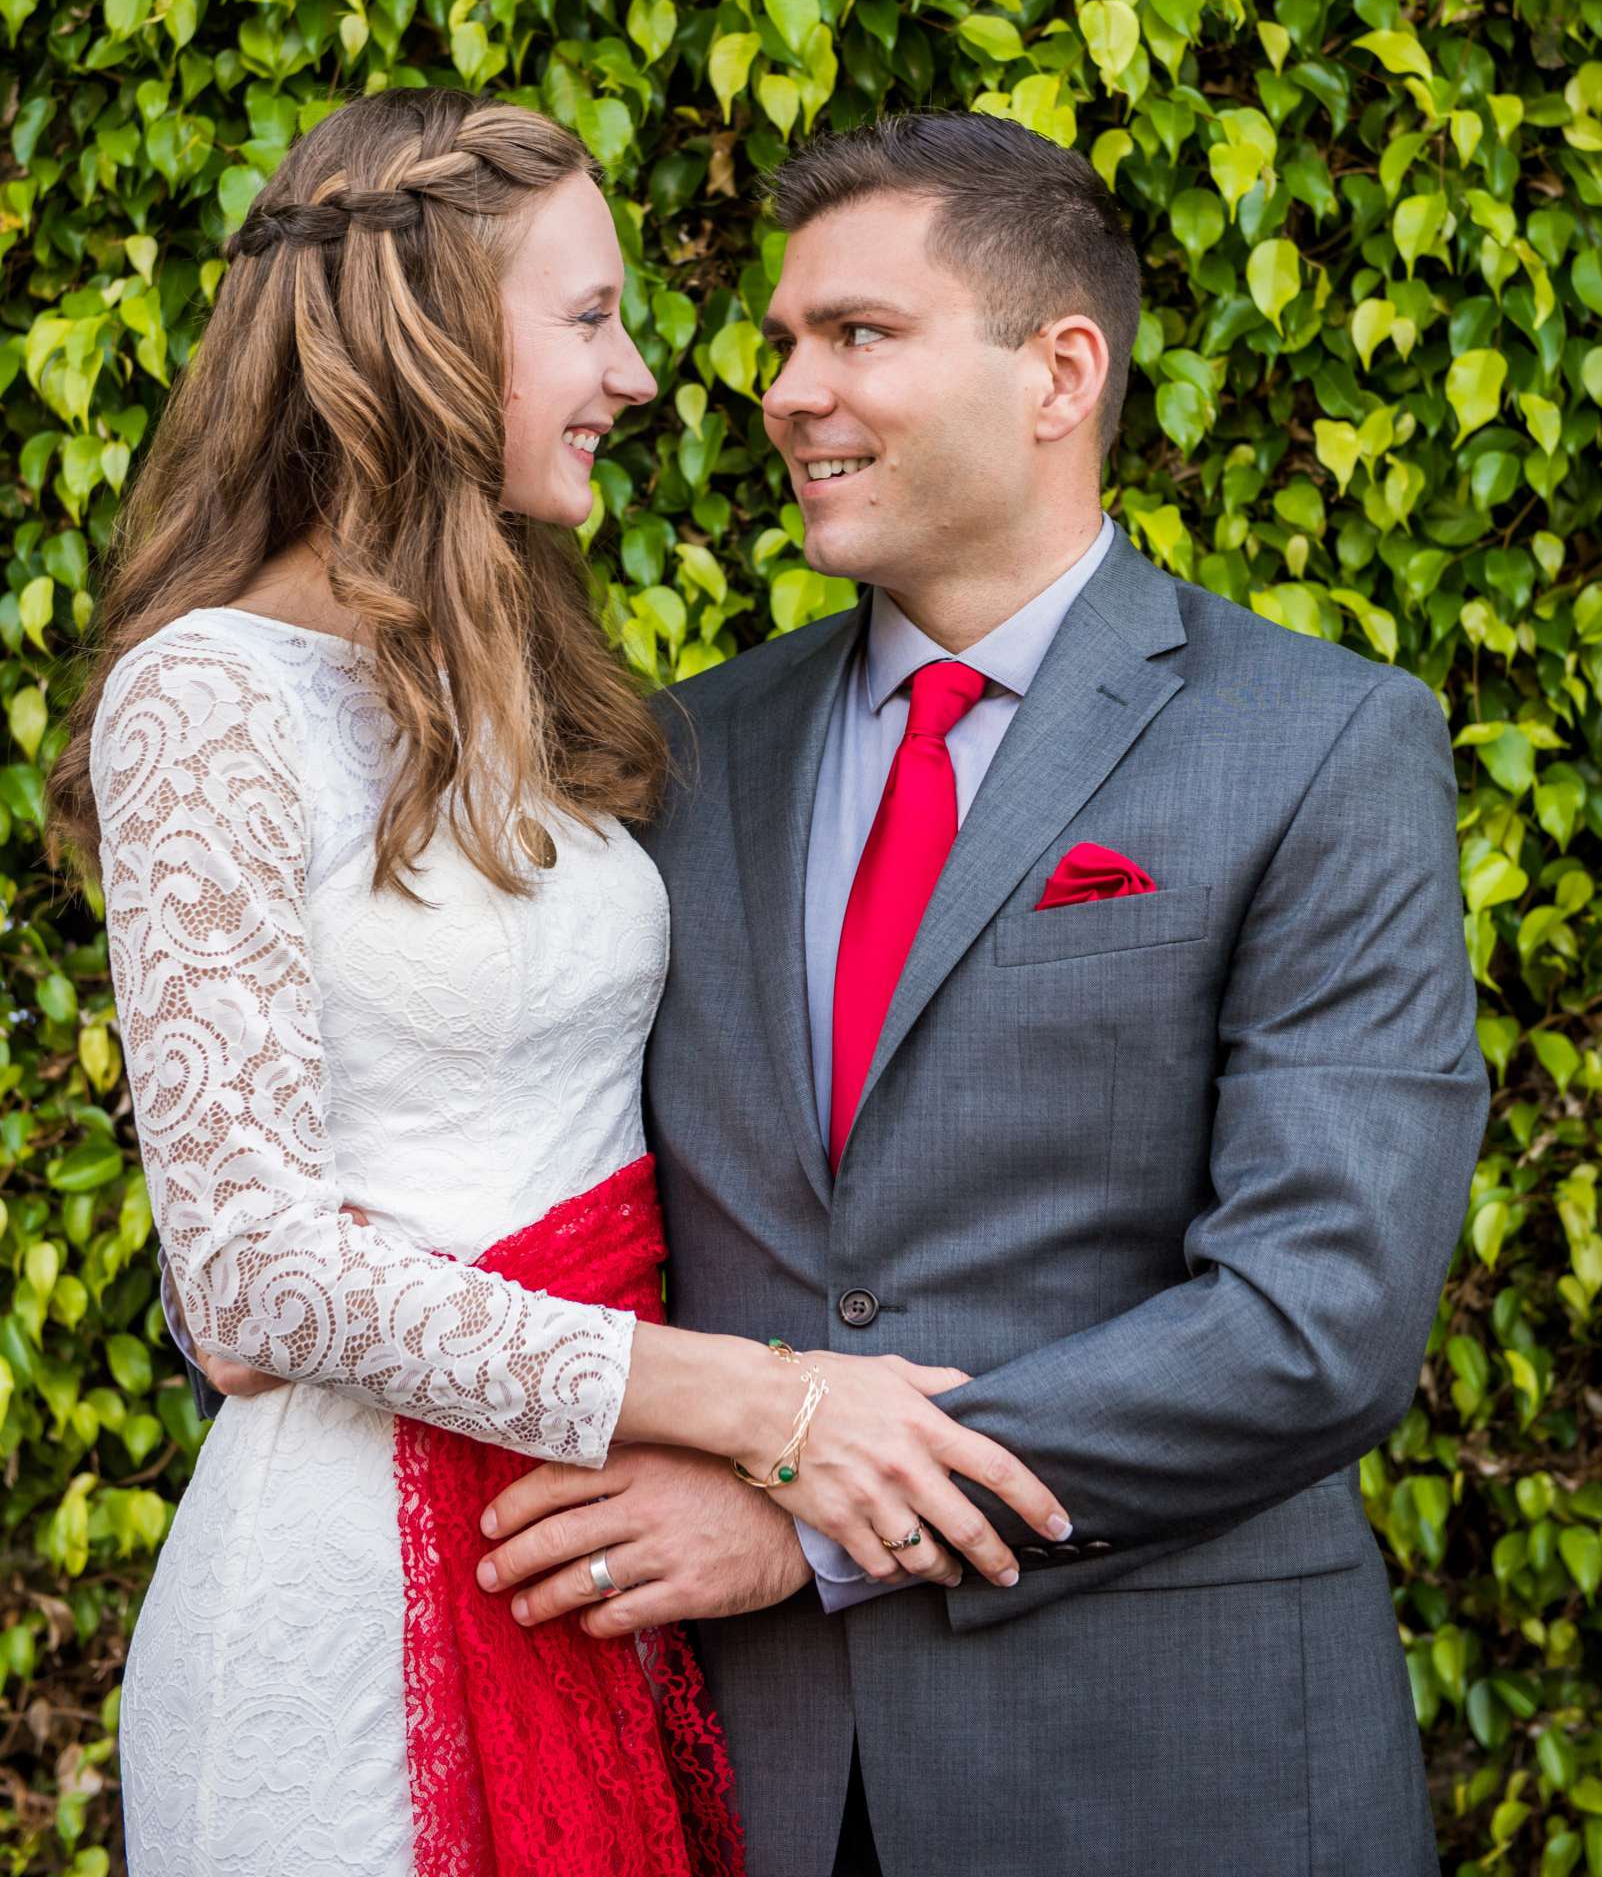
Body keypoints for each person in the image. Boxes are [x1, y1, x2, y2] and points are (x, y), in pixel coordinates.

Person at [43, 91, 1070, 1877]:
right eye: (587, 318)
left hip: (598, 1558)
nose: (643, 377)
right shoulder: (207, 694)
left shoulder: (526, 681)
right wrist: (759, 1401)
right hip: (356, 1589)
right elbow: (252, 1269)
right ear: (426, 332)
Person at [458, 110, 1490, 1877]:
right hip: (745, 1769)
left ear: (1057, 371)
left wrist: (811, 1511)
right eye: (783, 343)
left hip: (1172, 1762)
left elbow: (1318, 1317)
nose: (785, 390)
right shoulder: (683, 749)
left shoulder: (1319, 744)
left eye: (856, 335)